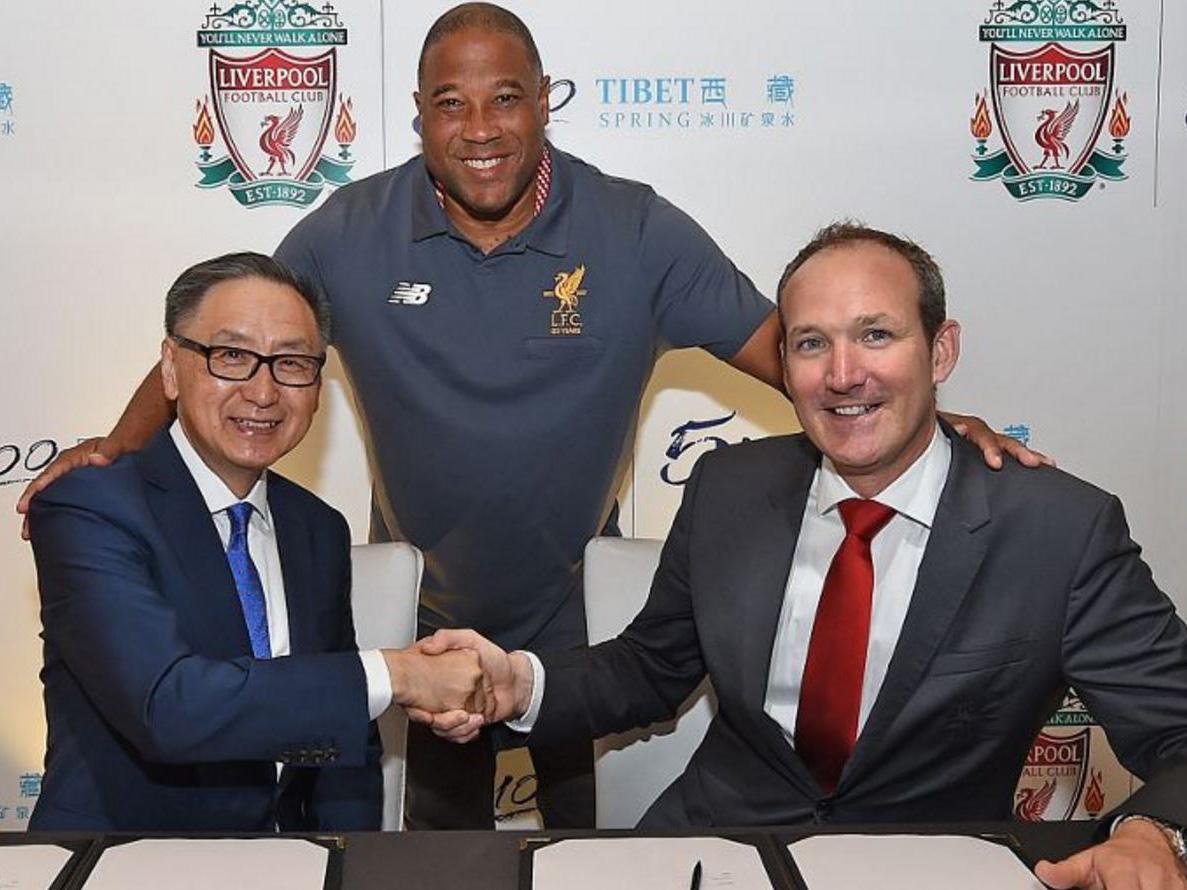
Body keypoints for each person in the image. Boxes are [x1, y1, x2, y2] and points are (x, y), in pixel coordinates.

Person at [16, 6, 1040, 830]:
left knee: (577, 849)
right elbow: (232, 333)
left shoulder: (636, 228)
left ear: (544, 102)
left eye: (505, 98)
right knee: (435, 848)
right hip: (421, 619)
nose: (479, 128)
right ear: (415, 115)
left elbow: (795, 354)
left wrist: (924, 433)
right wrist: (115, 447)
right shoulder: (347, 229)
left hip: (576, 630)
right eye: (449, 104)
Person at [423, 224, 1187, 888]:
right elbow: (648, 669)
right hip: (713, 852)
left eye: (876, 335)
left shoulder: (1058, 529)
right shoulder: (728, 487)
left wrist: (1152, 831)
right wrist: (514, 683)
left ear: (941, 348)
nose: (843, 374)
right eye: (811, 344)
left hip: (925, 869)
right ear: (783, 364)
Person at [26, 253, 490, 831]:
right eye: (232, 357)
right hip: (124, 861)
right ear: (171, 367)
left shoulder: (316, 526)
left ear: (317, 387)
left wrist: (347, 863)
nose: (263, 391)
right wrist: (394, 675)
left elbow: (344, 747)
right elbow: (167, 707)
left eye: (291, 363)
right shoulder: (89, 507)